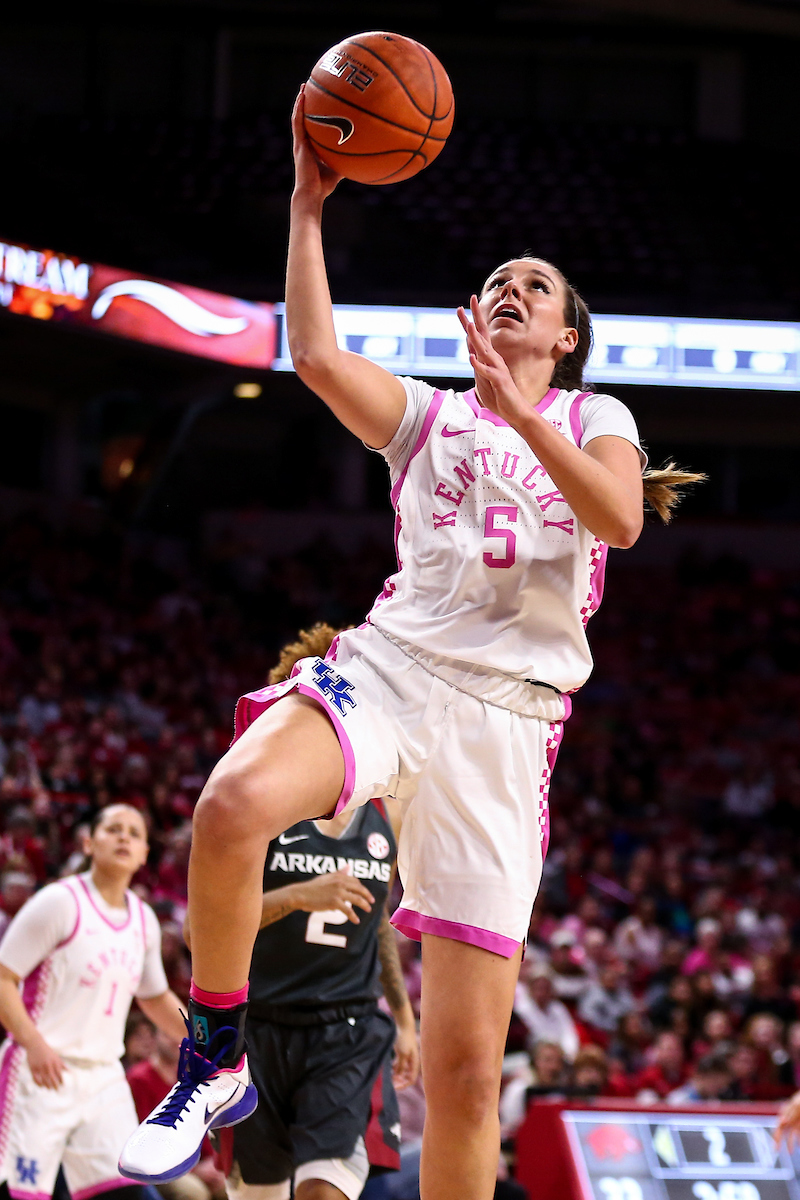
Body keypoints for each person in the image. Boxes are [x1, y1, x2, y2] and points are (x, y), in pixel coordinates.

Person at [120, 85, 702, 1200]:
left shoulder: (593, 418)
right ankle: (212, 1056)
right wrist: (304, 210)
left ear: (562, 337)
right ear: (474, 317)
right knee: (231, 805)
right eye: (497, 283)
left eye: (534, 287)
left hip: (508, 723)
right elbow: (316, 359)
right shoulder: (430, 417)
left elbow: (620, 521)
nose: (511, 290)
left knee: (466, 1074)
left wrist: (525, 414)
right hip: (393, 669)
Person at [206, 625, 419, 1200]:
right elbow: (200, 928)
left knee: (324, 1192)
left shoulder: (387, 810)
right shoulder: (259, 805)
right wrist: (299, 895)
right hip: (261, 1029)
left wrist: (402, 1016)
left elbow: (377, 928)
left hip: (345, 1031)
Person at [0, 804, 185, 1200]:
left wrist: (206, 1039)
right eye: (113, 829)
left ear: (144, 855)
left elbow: (154, 998)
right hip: (41, 1070)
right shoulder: (59, 902)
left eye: (134, 834)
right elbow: (3, 977)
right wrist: (33, 1044)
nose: (123, 837)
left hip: (104, 1078)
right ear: (88, 842)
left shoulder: (144, 920)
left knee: (129, 1191)